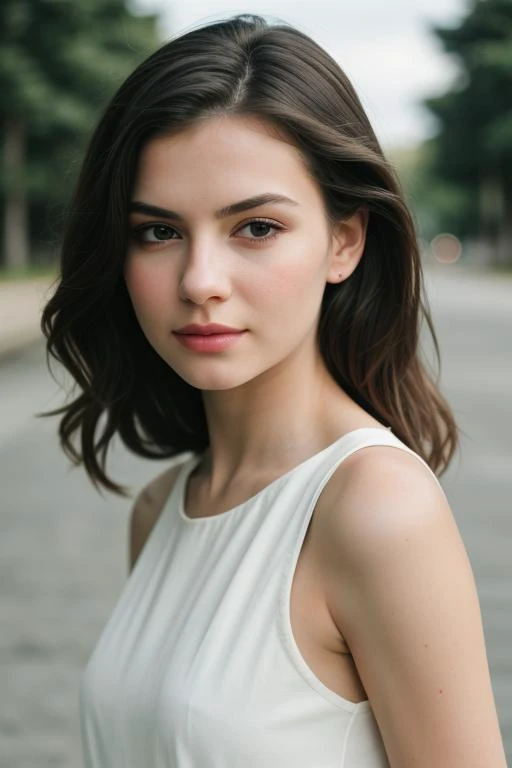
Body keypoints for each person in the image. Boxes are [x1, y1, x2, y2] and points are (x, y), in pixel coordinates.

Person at [41, 14, 507, 768]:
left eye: (255, 227)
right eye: (158, 232)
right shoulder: (161, 508)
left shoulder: (376, 510)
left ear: (344, 241)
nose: (200, 283)